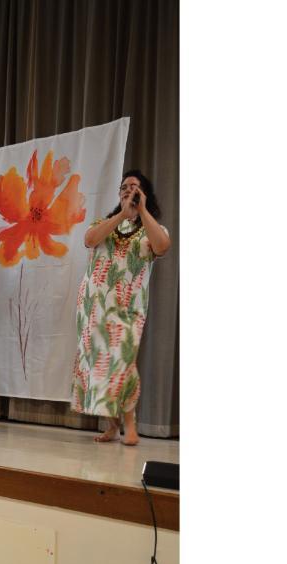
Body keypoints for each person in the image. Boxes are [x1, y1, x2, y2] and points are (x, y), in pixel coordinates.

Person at [70, 170, 171, 445]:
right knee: (99, 363)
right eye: (124, 187)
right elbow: (90, 240)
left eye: (134, 187)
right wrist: (122, 215)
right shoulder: (106, 223)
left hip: (128, 308)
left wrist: (142, 210)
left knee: (123, 362)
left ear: (144, 193)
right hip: (94, 305)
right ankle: (112, 426)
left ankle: (129, 424)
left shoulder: (153, 227)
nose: (128, 190)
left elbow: (162, 247)